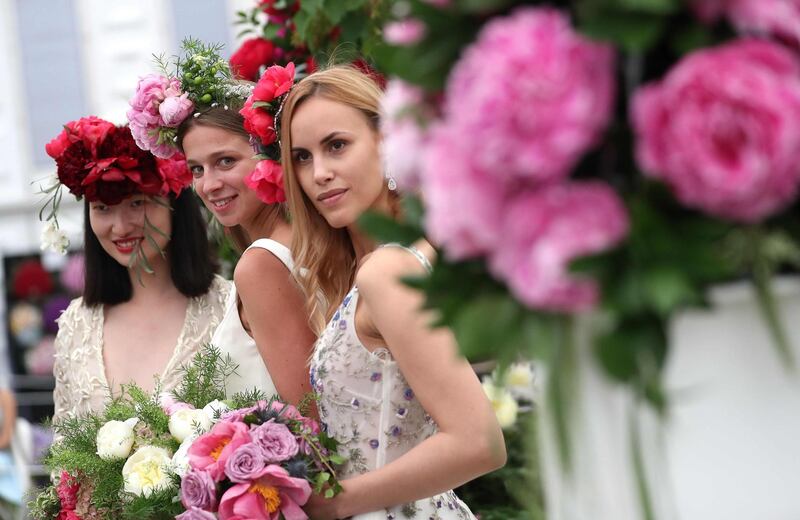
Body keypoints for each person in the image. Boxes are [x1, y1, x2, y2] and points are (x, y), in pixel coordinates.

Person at [280, 65, 507, 519]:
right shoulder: (383, 266)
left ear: (388, 144)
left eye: (336, 146)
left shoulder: (387, 272)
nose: (319, 173)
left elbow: (480, 442)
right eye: (302, 157)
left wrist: (336, 503)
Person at [48, 118, 230, 421]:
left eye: (137, 203)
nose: (120, 227)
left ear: (175, 203)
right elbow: (63, 457)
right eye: (103, 208)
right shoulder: (75, 325)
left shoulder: (230, 308)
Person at [176, 98, 315, 405]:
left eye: (225, 161)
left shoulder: (261, 264)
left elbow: (307, 415)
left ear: (271, 156)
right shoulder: (296, 244)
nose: (208, 184)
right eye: (196, 169)